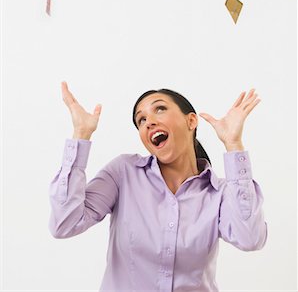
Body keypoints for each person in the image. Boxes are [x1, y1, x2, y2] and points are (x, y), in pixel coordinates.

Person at [49, 82, 267, 292]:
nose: (148, 122)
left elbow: (250, 238)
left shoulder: (218, 193)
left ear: (191, 121)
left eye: (159, 109)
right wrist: (81, 134)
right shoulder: (123, 172)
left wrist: (233, 145)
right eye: (141, 120)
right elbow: (64, 224)